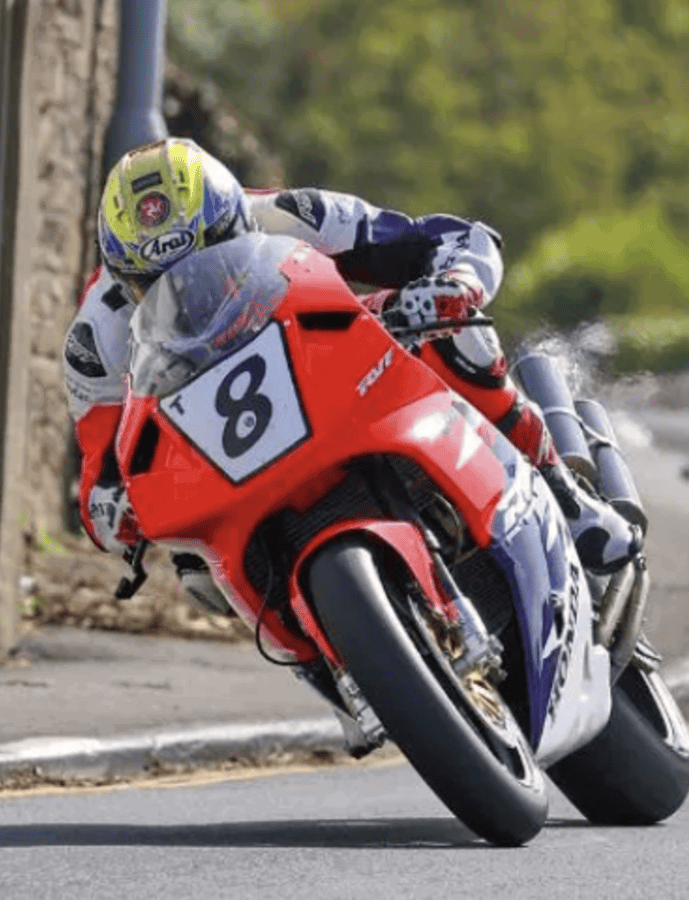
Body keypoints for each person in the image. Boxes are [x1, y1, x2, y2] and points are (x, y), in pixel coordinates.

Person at [62, 138, 641, 618]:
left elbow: (447, 240)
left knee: (450, 331)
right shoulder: (96, 340)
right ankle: (337, 664)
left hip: (318, 361)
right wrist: (118, 512)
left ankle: (562, 492)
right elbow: (98, 479)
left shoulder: (291, 216)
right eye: (155, 284)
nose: (191, 292)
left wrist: (453, 287)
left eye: (207, 260)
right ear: (121, 276)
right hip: (213, 447)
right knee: (198, 574)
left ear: (236, 223)